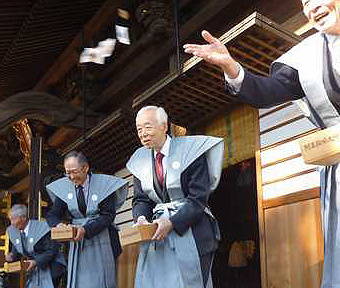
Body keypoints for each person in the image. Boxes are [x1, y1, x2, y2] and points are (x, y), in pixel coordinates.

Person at [184, 0, 340, 287]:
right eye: (305, 2)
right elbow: (264, 92)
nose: (312, 6)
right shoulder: (305, 57)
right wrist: (231, 66)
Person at [126, 106, 224, 288]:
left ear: (164, 126)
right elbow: (141, 199)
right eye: (139, 129)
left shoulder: (191, 151)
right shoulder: (140, 161)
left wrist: (172, 222)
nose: (143, 134)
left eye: (148, 127)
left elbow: (198, 198)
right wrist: (141, 218)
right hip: (158, 235)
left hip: (193, 231)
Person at [46, 151, 128, 288]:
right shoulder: (65, 186)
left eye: (74, 172)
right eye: (67, 173)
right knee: (79, 280)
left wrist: (85, 229)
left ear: (85, 168)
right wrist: (59, 225)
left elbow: (108, 216)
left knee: (102, 280)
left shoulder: (104, 184)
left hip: (101, 235)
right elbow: (53, 214)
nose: (71, 177)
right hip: (76, 241)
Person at [5, 204, 66, 288]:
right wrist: (11, 256)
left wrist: (35, 262)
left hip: (51, 267)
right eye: (10, 220)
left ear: (23, 218)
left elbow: (52, 250)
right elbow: (16, 250)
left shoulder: (40, 229)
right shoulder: (16, 231)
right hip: (34, 269)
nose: (12, 223)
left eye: (13, 219)